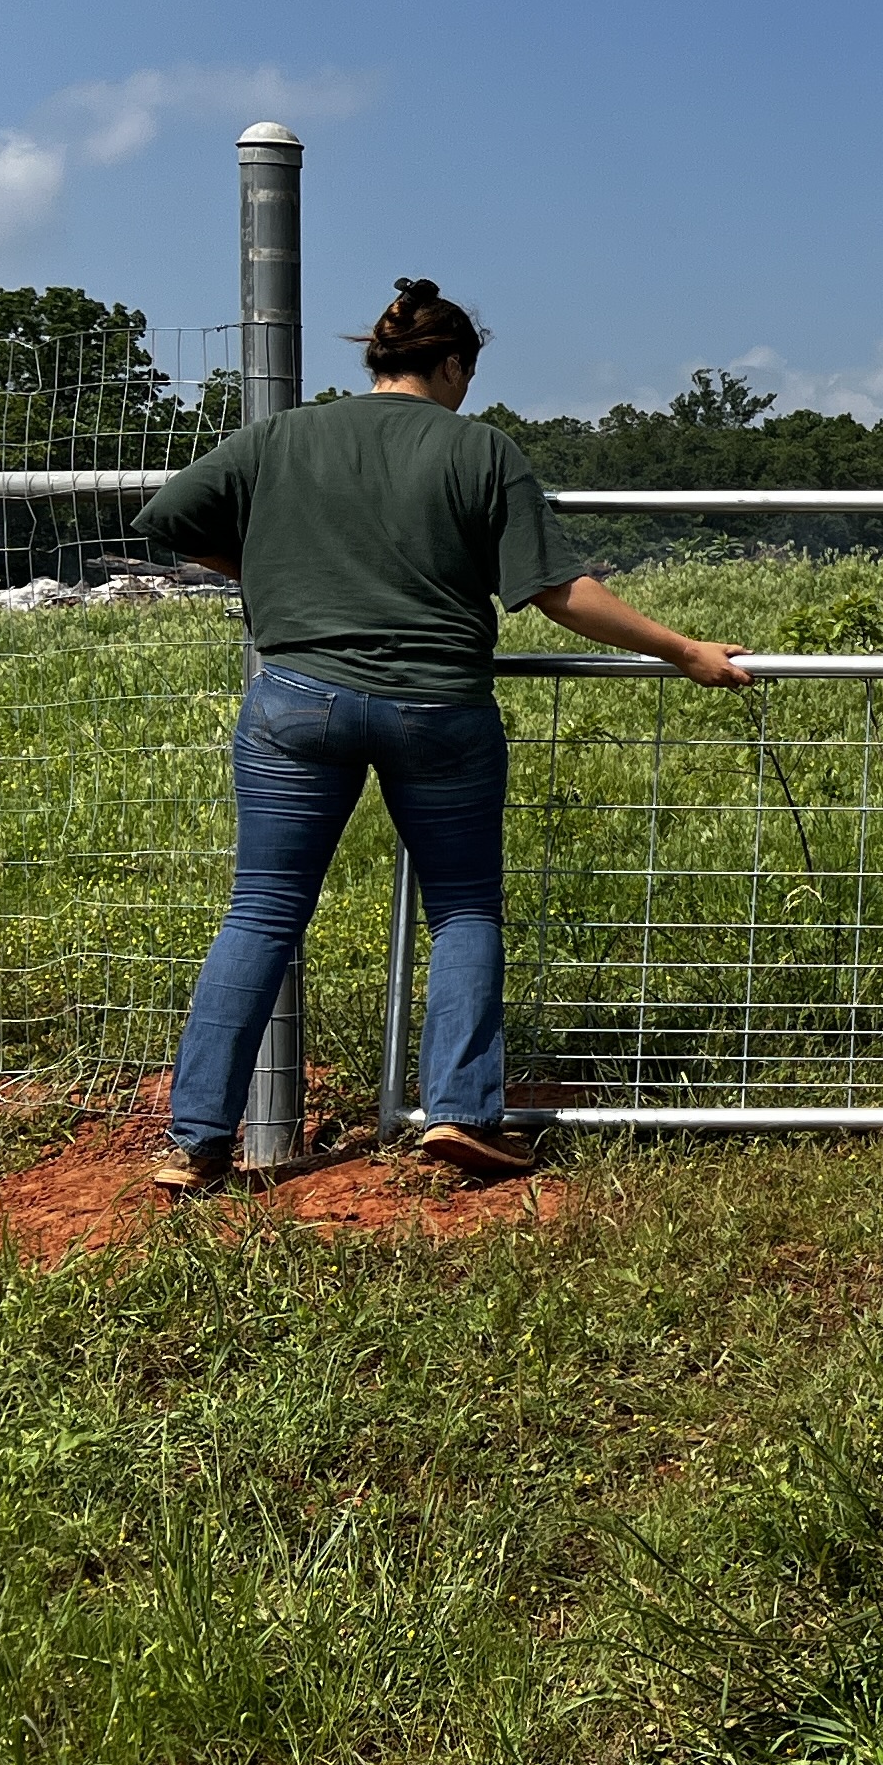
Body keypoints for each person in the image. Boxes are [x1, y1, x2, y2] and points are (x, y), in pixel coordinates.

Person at [132, 279, 753, 1194]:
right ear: (452, 364)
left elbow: (167, 520)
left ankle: (197, 1143)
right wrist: (683, 650)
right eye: (467, 372)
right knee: (462, 909)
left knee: (262, 911)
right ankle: (459, 1116)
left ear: (379, 360)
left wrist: (267, 567)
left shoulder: (282, 437)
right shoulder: (479, 450)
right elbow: (556, 590)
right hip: (438, 709)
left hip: (297, 700)